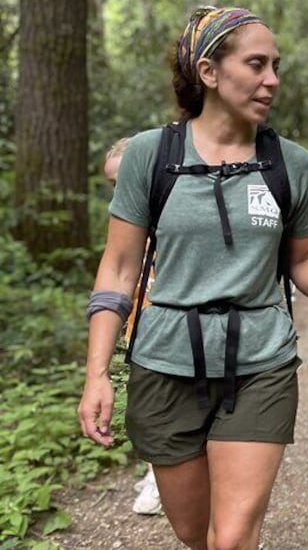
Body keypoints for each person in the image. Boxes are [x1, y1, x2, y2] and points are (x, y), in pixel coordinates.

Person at [79, 6, 308, 549]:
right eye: (256, 64)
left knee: (230, 539)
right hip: (163, 363)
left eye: (275, 65)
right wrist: (97, 374)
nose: (271, 79)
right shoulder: (149, 156)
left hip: (259, 362)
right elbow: (118, 267)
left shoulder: (290, 163)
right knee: (194, 535)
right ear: (209, 71)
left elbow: (303, 257)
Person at [103, 138, 163, 516]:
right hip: (138, 327)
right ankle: (155, 468)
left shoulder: (166, 212)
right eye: (112, 184)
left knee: (161, 407)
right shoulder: (125, 221)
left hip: (168, 328)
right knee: (143, 404)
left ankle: (161, 477)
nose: (118, 192)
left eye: (124, 180)